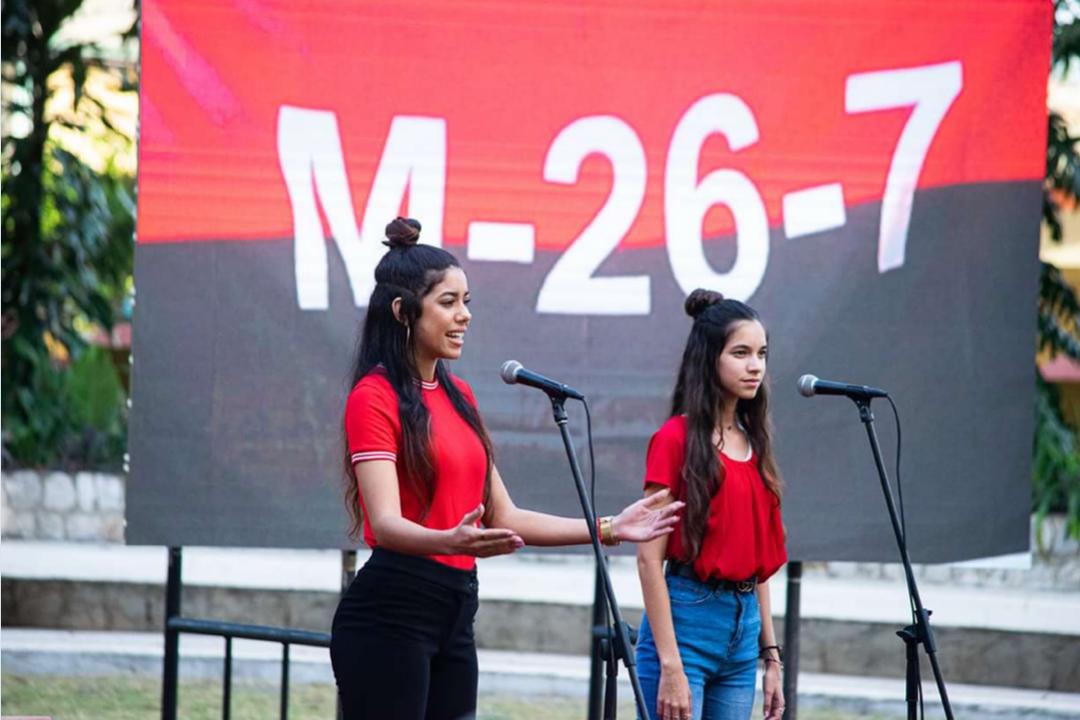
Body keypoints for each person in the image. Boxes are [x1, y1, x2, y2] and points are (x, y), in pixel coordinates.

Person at [329, 216, 685, 720]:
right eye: (448, 303)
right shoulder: (373, 397)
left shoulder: (460, 396)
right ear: (403, 312)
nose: (464, 316)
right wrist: (449, 540)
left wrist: (610, 528)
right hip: (392, 611)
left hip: (456, 609)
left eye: (466, 302)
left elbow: (507, 516)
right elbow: (385, 524)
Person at [634, 289, 787, 720]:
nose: (755, 365)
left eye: (761, 353)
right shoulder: (674, 439)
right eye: (740, 353)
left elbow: (757, 565)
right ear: (709, 359)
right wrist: (670, 666)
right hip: (686, 622)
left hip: (744, 633)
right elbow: (649, 561)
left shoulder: (754, 441)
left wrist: (771, 657)